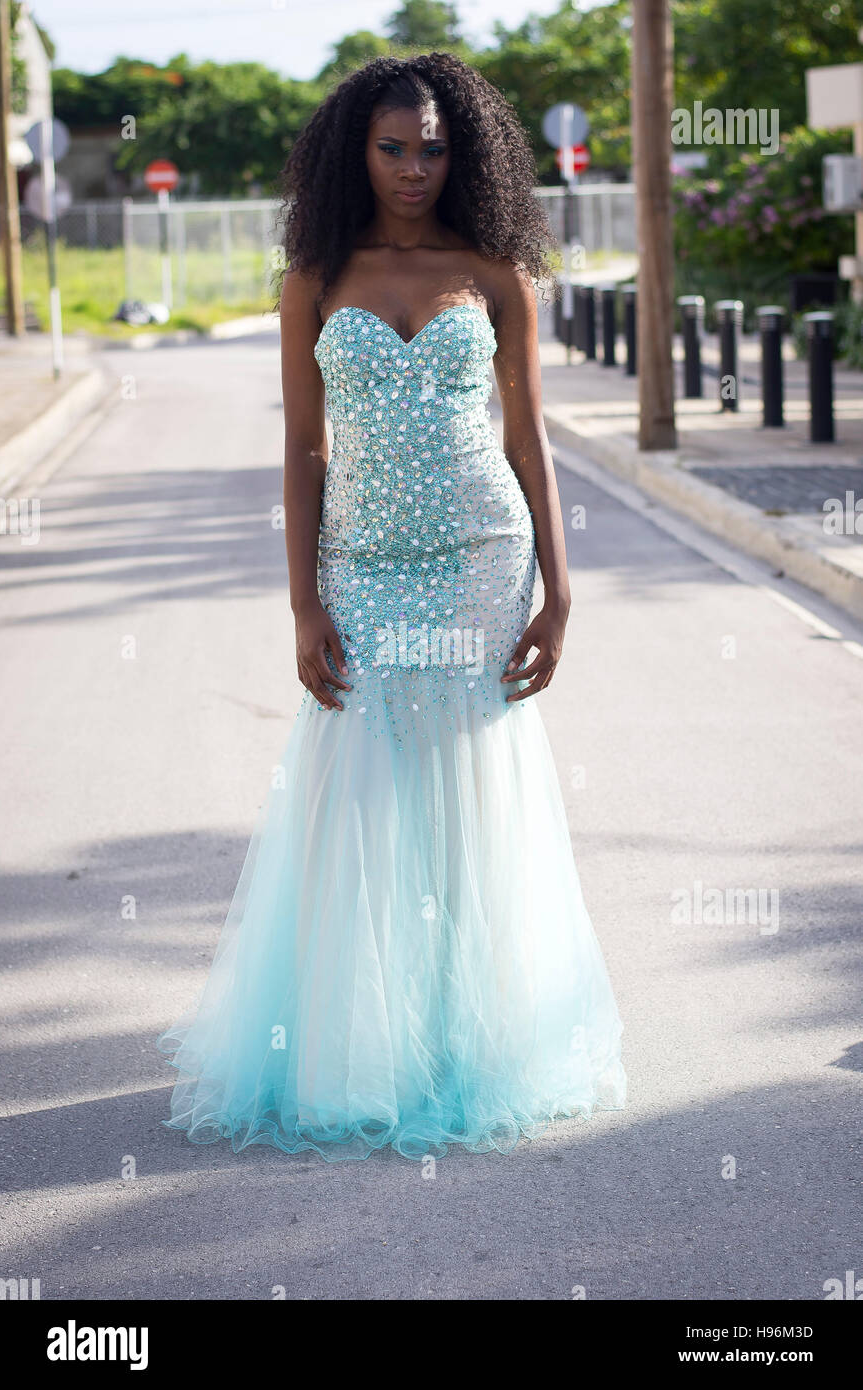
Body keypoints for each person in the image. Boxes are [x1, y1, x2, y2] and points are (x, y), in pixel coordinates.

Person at [156, 52, 626, 1162]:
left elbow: (527, 442)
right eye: (392, 147)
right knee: (360, 777)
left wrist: (558, 594)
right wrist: (302, 607)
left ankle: (477, 1046)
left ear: (461, 153)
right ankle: (354, 1051)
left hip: (477, 550)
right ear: (351, 152)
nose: (414, 167)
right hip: (361, 566)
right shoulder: (315, 274)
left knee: (469, 784)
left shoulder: (496, 269)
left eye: (433, 147)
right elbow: (301, 446)